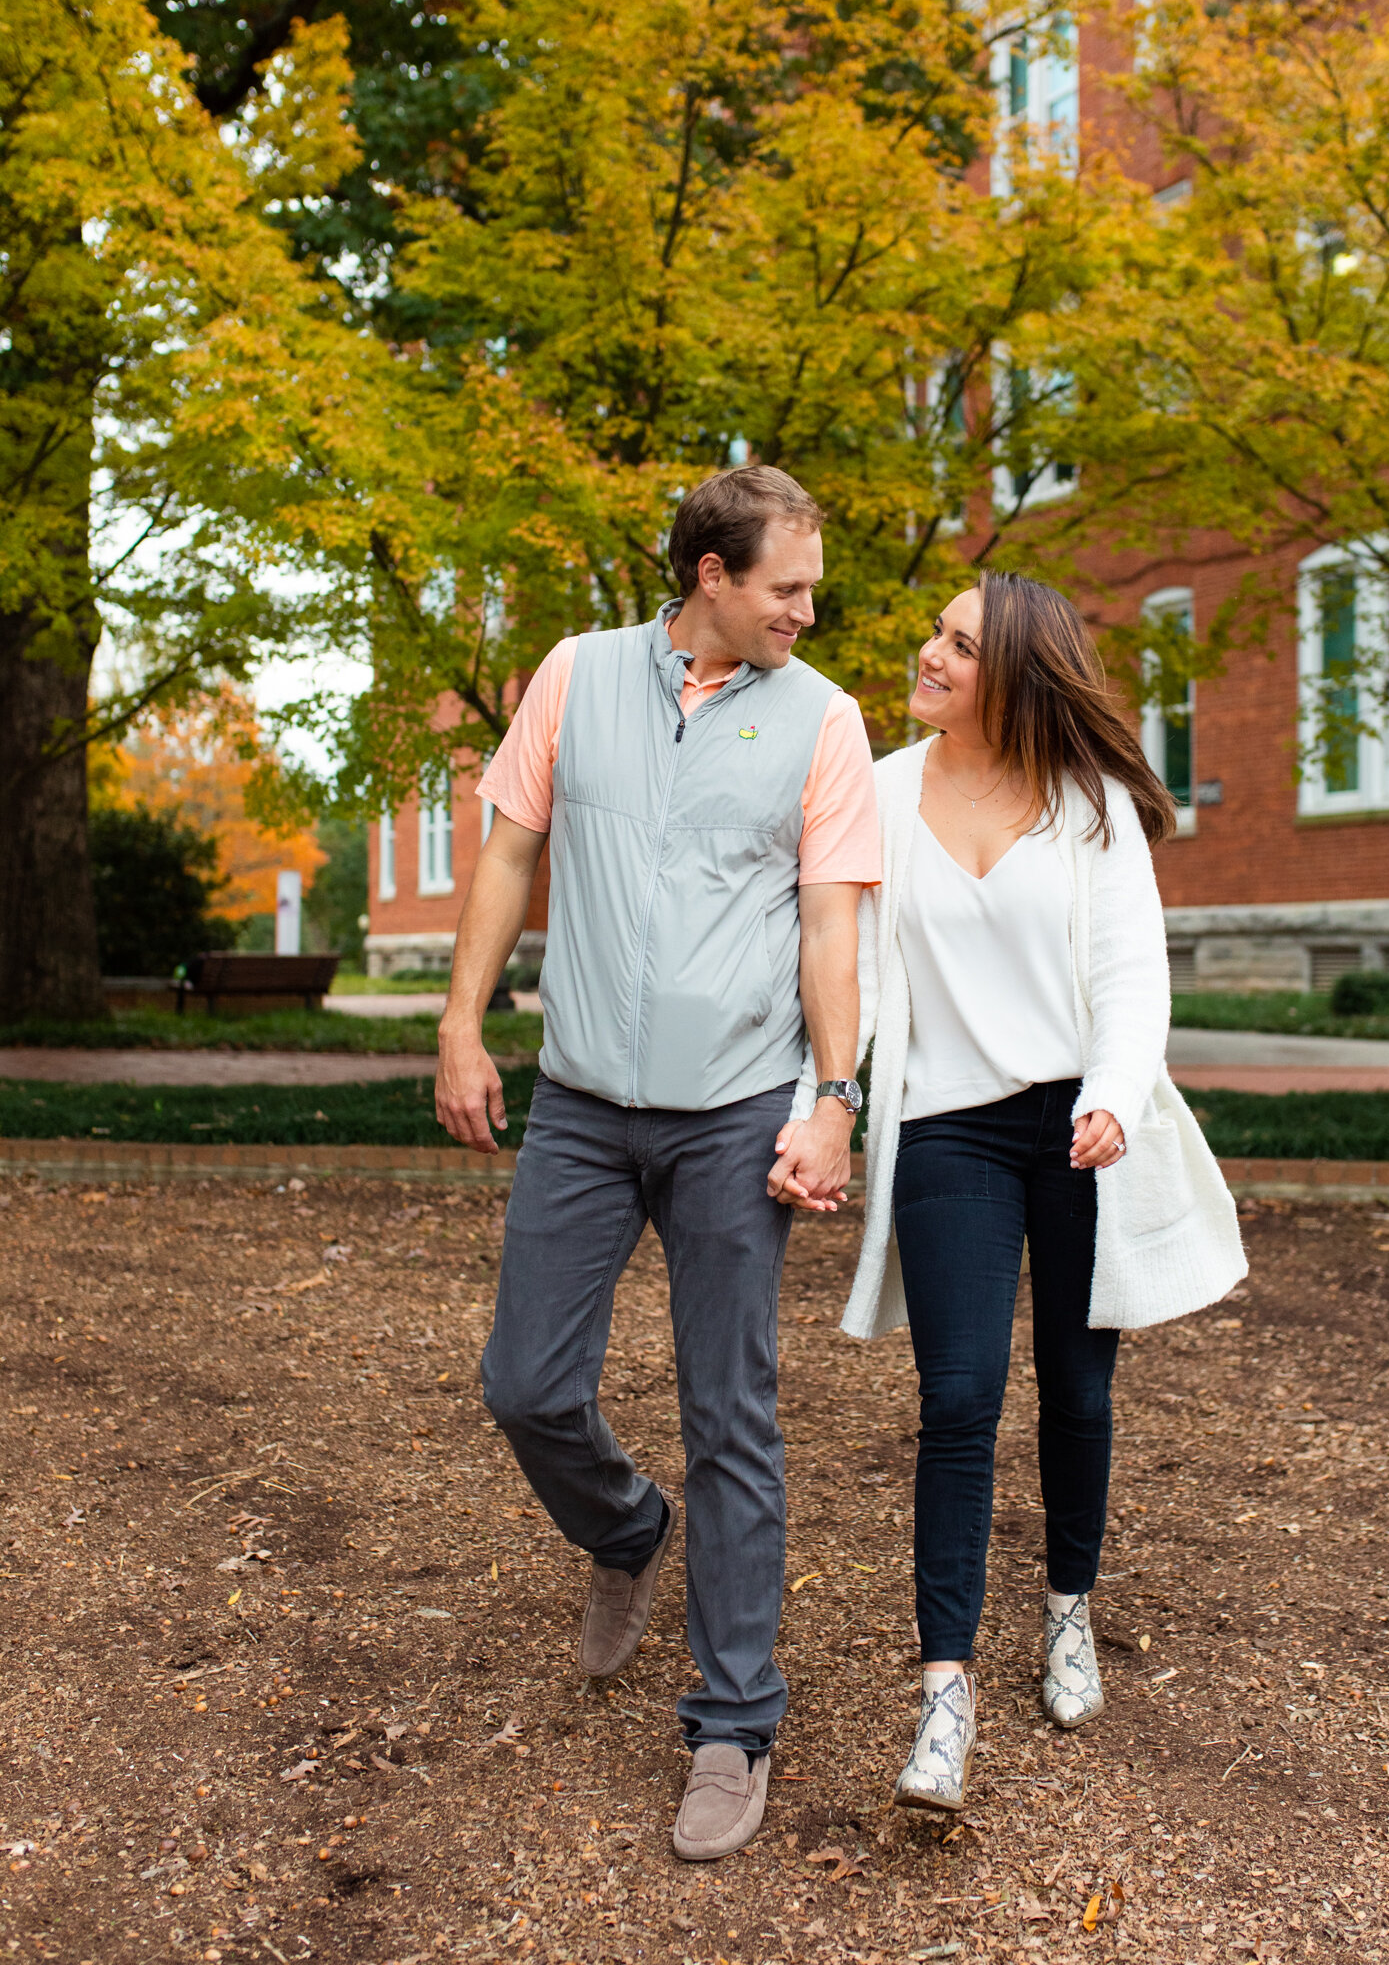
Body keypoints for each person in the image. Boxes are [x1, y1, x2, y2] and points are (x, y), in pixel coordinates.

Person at [434, 465, 880, 1860]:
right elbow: (511, 859)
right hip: (578, 1102)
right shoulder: (573, 678)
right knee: (525, 1382)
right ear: (709, 576)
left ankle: (735, 1721)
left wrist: (833, 1101)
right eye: (786, 587)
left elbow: (828, 932)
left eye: (810, 589)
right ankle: (628, 1530)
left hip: (737, 1114)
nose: (808, 611)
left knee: (729, 1412)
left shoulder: (825, 721)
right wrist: (460, 1024)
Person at [828, 571, 1246, 1811]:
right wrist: (827, 1096)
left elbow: (1132, 980)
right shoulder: (883, 791)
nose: (929, 653)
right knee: (957, 1398)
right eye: (935, 634)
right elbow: (843, 962)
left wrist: (1115, 1092)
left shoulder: (1093, 805)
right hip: (944, 1128)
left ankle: (1068, 1607)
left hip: (1077, 1126)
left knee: (1075, 1387)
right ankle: (943, 1696)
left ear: (1012, 673)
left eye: (959, 645)